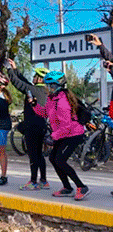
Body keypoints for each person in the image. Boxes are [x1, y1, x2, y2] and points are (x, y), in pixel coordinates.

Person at [31, 71, 90, 201]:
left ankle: (82, 186)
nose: (46, 88)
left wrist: (53, 136)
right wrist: (35, 105)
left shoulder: (62, 101)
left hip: (73, 134)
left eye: (48, 85)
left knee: (60, 160)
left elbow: (67, 125)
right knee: (53, 158)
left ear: (54, 86)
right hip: (62, 134)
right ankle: (67, 188)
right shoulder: (52, 99)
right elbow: (45, 112)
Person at [6, 59, 51, 191]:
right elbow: (26, 83)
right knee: (39, 154)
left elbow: (19, 84)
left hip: (32, 128)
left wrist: (9, 70)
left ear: (40, 79)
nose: (33, 78)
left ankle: (33, 181)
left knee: (33, 155)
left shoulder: (34, 90)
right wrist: (16, 69)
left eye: (35, 76)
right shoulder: (43, 91)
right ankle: (43, 180)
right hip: (41, 126)